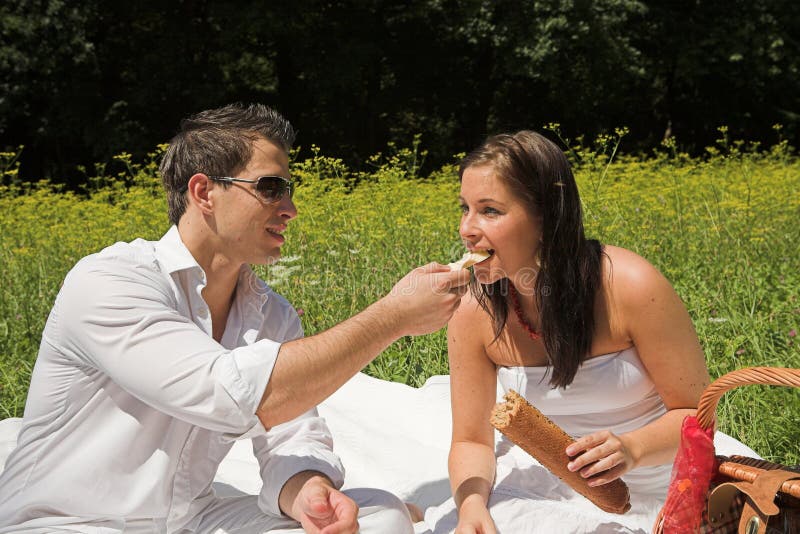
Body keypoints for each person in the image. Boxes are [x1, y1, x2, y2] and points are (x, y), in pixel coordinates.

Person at [0, 103, 470, 534]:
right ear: (204, 192)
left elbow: (290, 434)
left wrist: (305, 492)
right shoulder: (109, 281)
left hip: (191, 520)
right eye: (270, 188)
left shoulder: (273, 313)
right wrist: (391, 317)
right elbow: (227, 392)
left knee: (379, 516)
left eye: (289, 190)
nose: (290, 208)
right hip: (69, 522)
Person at [422, 131, 711, 533]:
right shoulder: (473, 310)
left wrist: (632, 449)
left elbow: (698, 416)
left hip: (654, 493)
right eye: (465, 208)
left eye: (489, 211)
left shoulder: (630, 286)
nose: (466, 229)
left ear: (545, 217)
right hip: (545, 494)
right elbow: (472, 441)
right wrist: (472, 508)